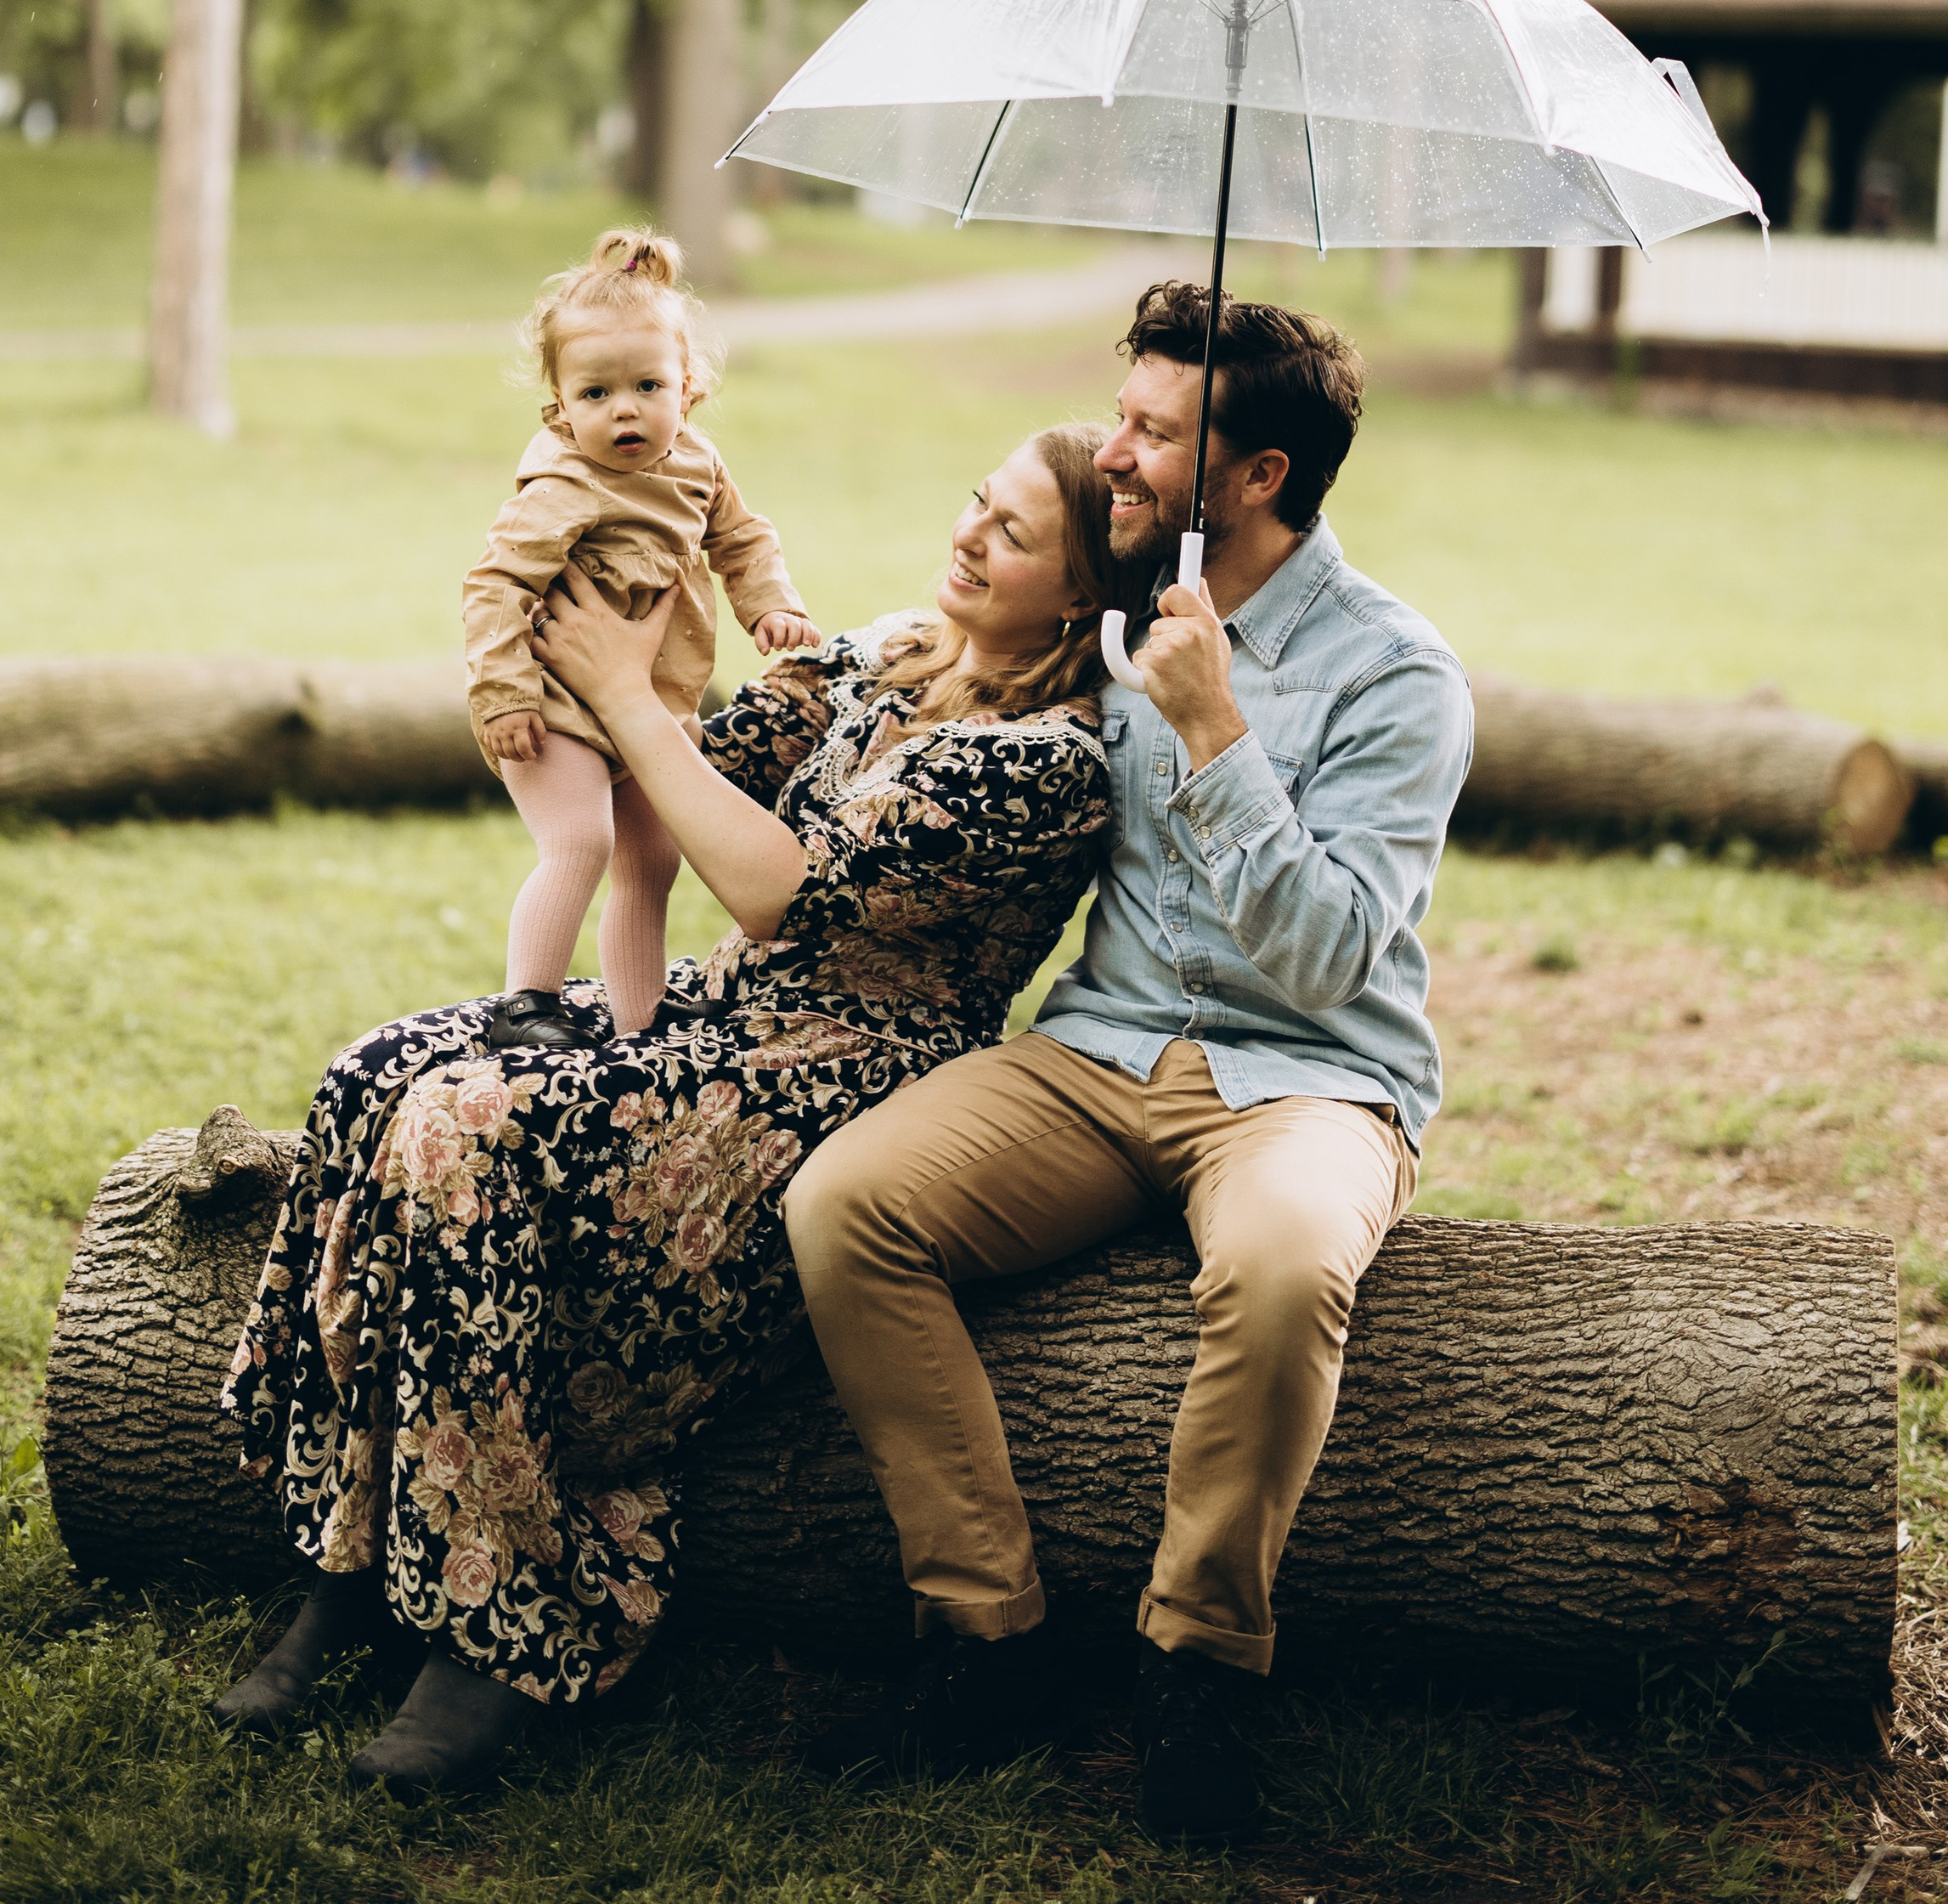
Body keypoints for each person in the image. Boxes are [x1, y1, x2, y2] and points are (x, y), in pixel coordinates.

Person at [214, 424, 1120, 1796]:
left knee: (474, 1131)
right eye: (972, 503)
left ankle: (502, 1628)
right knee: (379, 1073)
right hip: (708, 1005)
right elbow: (704, 759)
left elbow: (777, 884)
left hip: (842, 1069)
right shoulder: (892, 654)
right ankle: (355, 1558)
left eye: (1011, 532)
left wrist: (630, 699)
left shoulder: (1054, 763)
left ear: (1079, 596)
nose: (967, 535)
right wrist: (580, 634)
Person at [785, 283, 1475, 1850]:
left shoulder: (1398, 676)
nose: (1118, 448)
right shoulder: (1118, 605)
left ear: (1260, 478)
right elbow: (963, 644)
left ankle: (1197, 1665)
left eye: (1158, 432)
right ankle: (986, 1636)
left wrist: (1220, 733)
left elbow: (1326, 957)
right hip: (1097, 1049)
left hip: (1308, 1077)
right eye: (1127, 413)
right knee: (849, 1207)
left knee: (1291, 1269)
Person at [461, 227, 820, 1045]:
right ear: (559, 405)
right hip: (555, 712)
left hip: (655, 709)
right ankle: (527, 1005)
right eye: (595, 394)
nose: (624, 408)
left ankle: (642, 1015)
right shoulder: (564, 483)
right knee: (580, 840)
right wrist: (504, 695)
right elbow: (496, 585)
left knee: (652, 861)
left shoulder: (698, 462)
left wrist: (770, 605)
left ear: (687, 387)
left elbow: (743, 539)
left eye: (646, 385)